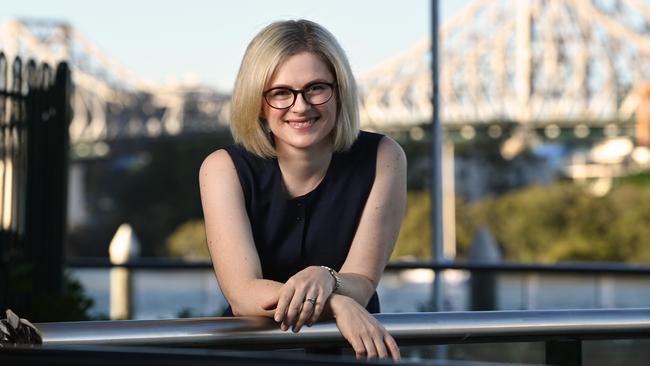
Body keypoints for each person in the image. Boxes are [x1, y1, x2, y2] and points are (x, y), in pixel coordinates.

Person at [199, 19, 406, 361]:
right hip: (253, 355)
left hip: (351, 352)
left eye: (316, 88)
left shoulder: (384, 157)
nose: (300, 106)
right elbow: (243, 294)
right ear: (258, 103)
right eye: (281, 92)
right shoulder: (222, 168)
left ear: (339, 91)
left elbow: (363, 281)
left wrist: (324, 278)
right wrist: (335, 299)